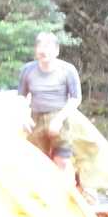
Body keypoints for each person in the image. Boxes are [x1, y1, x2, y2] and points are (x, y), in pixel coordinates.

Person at [19, 31, 82, 163]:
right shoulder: (27, 70)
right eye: (40, 46)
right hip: (35, 118)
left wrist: (58, 119)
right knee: (35, 161)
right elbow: (22, 96)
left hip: (60, 117)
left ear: (56, 50)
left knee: (62, 160)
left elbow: (76, 98)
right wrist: (24, 115)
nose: (43, 51)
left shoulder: (68, 70)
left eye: (48, 46)